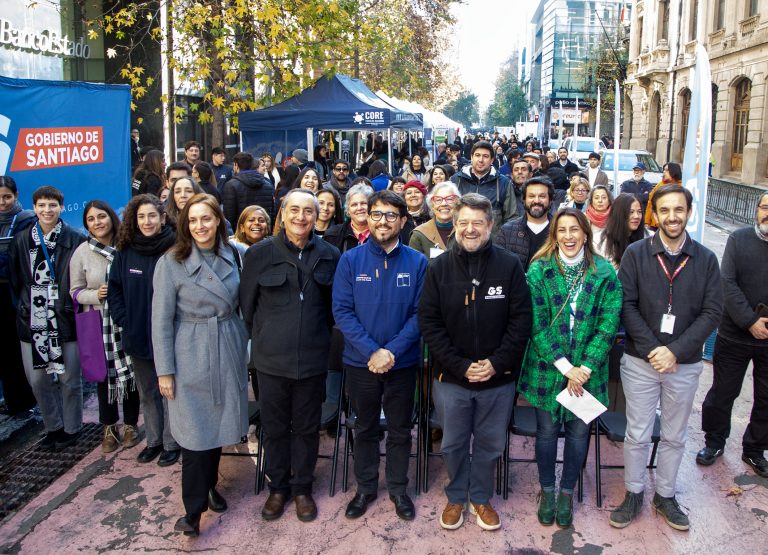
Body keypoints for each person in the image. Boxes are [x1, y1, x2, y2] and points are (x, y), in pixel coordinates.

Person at [610, 185, 723, 531]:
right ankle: (634, 493)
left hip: (684, 365)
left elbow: (712, 312)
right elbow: (625, 306)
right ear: (654, 215)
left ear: (689, 213)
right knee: (638, 433)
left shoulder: (705, 259)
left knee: (675, 435)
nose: (672, 217)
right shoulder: (636, 255)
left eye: (679, 210)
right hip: (640, 363)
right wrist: (653, 350)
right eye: (665, 210)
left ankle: (666, 495)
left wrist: (675, 351)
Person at [419, 193, 532, 531]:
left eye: (477, 223)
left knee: (490, 442)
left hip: (498, 378)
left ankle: (480, 497)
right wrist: (460, 365)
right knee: (452, 441)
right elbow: (429, 322)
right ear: (454, 226)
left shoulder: (509, 265)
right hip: (452, 378)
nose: (470, 229)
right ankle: (456, 495)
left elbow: (521, 321)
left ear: (490, 225)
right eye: (463, 222)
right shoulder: (438, 268)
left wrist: (496, 363)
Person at [240, 189, 340, 522]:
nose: (300, 217)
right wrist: (268, 337)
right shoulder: (259, 254)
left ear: (316, 216)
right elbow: (248, 307)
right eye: (293, 210)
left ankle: (302, 488)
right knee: (275, 427)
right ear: (282, 214)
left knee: (307, 428)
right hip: (271, 362)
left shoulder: (330, 254)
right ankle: (278, 487)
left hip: (312, 360)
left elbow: (331, 309)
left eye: (307, 211)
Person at [152, 193, 249, 537]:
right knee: (195, 434)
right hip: (190, 351)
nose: (199, 226)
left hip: (227, 344)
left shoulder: (234, 254)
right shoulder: (171, 262)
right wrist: (165, 370)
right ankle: (192, 513)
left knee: (219, 425)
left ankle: (209, 486)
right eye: (192, 220)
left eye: (205, 219)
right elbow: (160, 320)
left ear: (218, 221)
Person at [519, 208, 622, 528]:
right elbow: (534, 323)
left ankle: (566, 492)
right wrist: (566, 367)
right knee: (547, 432)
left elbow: (609, 325)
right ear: (554, 235)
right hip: (548, 369)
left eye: (574, 230)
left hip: (588, 372)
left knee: (579, 433)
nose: (568, 236)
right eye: (561, 230)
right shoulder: (538, 271)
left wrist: (585, 367)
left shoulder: (604, 272)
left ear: (585, 234)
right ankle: (548, 490)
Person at [333, 190, 427, 522]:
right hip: (361, 363)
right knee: (365, 427)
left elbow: (420, 315)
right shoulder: (350, 260)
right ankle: (366, 488)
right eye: (376, 214)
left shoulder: (418, 262)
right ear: (367, 217)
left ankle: (399, 489)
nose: (382, 221)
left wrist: (391, 351)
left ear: (403, 221)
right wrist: (373, 351)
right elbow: (342, 313)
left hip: (402, 363)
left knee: (401, 429)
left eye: (390, 215)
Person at [9, 186, 85, 449]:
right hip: (32, 318)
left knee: (69, 379)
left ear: (61, 207)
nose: (47, 210)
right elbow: (17, 279)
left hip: (64, 317)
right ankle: (53, 427)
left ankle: (73, 428)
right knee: (38, 380)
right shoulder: (21, 240)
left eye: (52, 205)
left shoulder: (76, 238)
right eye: (41, 205)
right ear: (34, 207)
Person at [697, 193, 768, 477]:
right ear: (757, 211)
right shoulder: (739, 239)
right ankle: (714, 442)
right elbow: (727, 283)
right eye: (765, 208)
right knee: (723, 392)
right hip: (735, 333)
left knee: (766, 397)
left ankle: (754, 450)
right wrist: (750, 320)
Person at [107, 194, 181, 466]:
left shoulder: (176, 247)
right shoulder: (125, 251)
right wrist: (124, 318)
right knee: (148, 392)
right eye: (141, 217)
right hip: (138, 334)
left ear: (163, 218)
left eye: (152, 215)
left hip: (172, 336)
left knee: (170, 392)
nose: (147, 221)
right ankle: (154, 441)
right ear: (133, 221)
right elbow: (114, 289)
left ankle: (173, 442)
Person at [69, 201, 141, 453]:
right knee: (103, 375)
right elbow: (74, 291)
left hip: (126, 318)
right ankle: (109, 425)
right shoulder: (82, 252)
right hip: (98, 322)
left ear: (111, 218)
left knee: (131, 373)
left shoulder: (127, 246)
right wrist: (95, 294)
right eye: (91, 219)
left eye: (102, 216)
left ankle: (131, 424)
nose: (97, 222)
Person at [0, 176, 37, 416]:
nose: (2, 202)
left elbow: (18, 259)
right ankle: (12, 400)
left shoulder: (25, 221)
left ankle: (24, 401)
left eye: (7, 197)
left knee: (17, 350)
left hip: (15, 295)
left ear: (16, 196)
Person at [450, 141, 514, 233]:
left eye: (485, 156)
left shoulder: (503, 182)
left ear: (492, 160)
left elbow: (511, 217)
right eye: (477, 155)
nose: (481, 160)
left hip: (492, 243)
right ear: (471, 157)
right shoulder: (456, 180)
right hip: (461, 242)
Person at [497, 177, 554, 271]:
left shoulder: (559, 230)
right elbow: (498, 266)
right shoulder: (506, 231)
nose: (536, 201)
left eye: (542, 196)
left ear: (550, 200)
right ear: (523, 200)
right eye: (531, 196)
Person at [222, 152, 275, 230]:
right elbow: (272, 213)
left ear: (236, 165)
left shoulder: (231, 185)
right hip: (263, 232)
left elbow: (229, 216)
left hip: (241, 233)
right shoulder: (267, 184)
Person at [409, 181, 459, 259]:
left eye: (449, 199)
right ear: (432, 205)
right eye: (438, 200)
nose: (444, 204)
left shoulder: (466, 231)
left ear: (457, 203)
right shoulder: (419, 235)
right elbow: (415, 268)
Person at [599, 193, 647, 267]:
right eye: (631, 212)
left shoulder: (649, 237)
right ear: (619, 214)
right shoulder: (601, 242)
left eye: (639, 212)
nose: (636, 216)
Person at [324, 184, 374, 253]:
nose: (359, 208)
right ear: (348, 210)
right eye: (354, 205)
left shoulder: (381, 234)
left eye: (363, 203)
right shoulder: (332, 235)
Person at [645, 162, 682, 229]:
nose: (664, 172)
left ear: (674, 171)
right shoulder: (659, 185)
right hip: (655, 225)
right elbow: (650, 203)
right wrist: (647, 222)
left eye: (667, 170)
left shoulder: (681, 187)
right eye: (664, 170)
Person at [585, 185, 613, 251]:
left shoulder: (615, 217)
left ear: (609, 200)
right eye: (596, 198)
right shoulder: (584, 218)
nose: (600, 201)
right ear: (591, 201)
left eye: (604, 197)